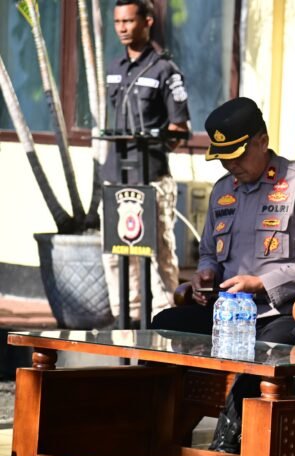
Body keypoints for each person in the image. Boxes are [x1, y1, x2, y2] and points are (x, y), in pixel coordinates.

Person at [152, 97, 295, 453]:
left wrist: (263, 283)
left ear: (262, 141)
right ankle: (156, 432)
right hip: (226, 311)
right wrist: (205, 274)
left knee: (260, 351)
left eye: (237, 155)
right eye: (224, 157)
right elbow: (209, 252)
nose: (231, 165)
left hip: (279, 314)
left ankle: (229, 449)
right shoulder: (224, 190)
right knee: (164, 326)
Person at [102, 0, 191, 321]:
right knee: (115, 254)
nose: (122, 28)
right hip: (116, 177)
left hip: (151, 177)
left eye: (128, 21)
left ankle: (163, 322)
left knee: (158, 253)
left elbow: (179, 127)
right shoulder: (114, 67)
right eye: (117, 22)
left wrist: (158, 140)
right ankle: (124, 320)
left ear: (148, 21)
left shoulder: (165, 69)